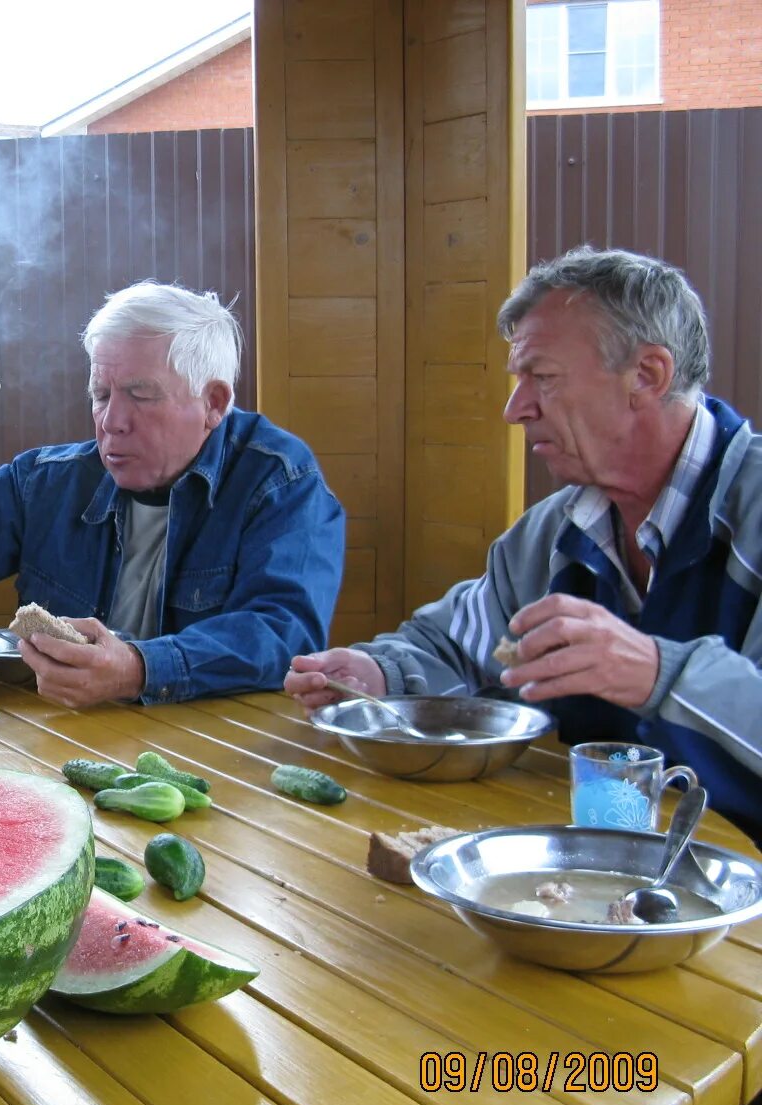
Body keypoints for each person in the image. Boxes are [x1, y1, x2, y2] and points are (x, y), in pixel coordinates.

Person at [284, 246, 762, 846]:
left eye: (544, 378)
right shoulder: (554, 531)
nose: (516, 410)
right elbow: (461, 647)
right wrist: (379, 674)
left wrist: (657, 673)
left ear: (648, 375)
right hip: (593, 872)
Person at [0, 280, 346, 708]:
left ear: (213, 403)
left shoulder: (280, 481)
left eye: (140, 395)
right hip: (60, 734)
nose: (112, 422)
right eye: (101, 395)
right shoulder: (40, 483)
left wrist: (138, 667)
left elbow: (284, 633)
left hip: (216, 747)